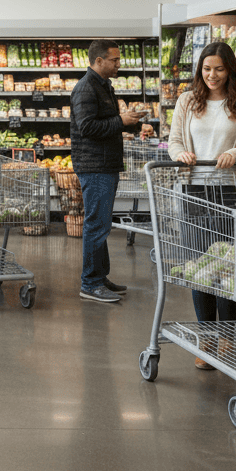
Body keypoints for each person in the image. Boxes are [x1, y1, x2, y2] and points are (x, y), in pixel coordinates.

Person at [167, 41, 236, 369]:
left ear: (230, 70)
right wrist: (179, 154)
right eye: (207, 69)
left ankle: (227, 337)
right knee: (199, 267)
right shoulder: (187, 100)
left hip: (229, 192)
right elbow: (175, 140)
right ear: (199, 69)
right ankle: (206, 338)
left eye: (219, 69)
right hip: (194, 190)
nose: (212, 75)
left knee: (227, 267)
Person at [70, 39, 143, 303]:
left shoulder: (104, 86)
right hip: (94, 165)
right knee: (96, 225)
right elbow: (88, 127)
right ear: (98, 61)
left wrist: (130, 124)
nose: (119, 64)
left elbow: (107, 123)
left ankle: (100, 277)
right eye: (114, 60)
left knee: (101, 224)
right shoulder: (86, 88)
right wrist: (120, 120)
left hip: (105, 164)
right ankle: (90, 283)